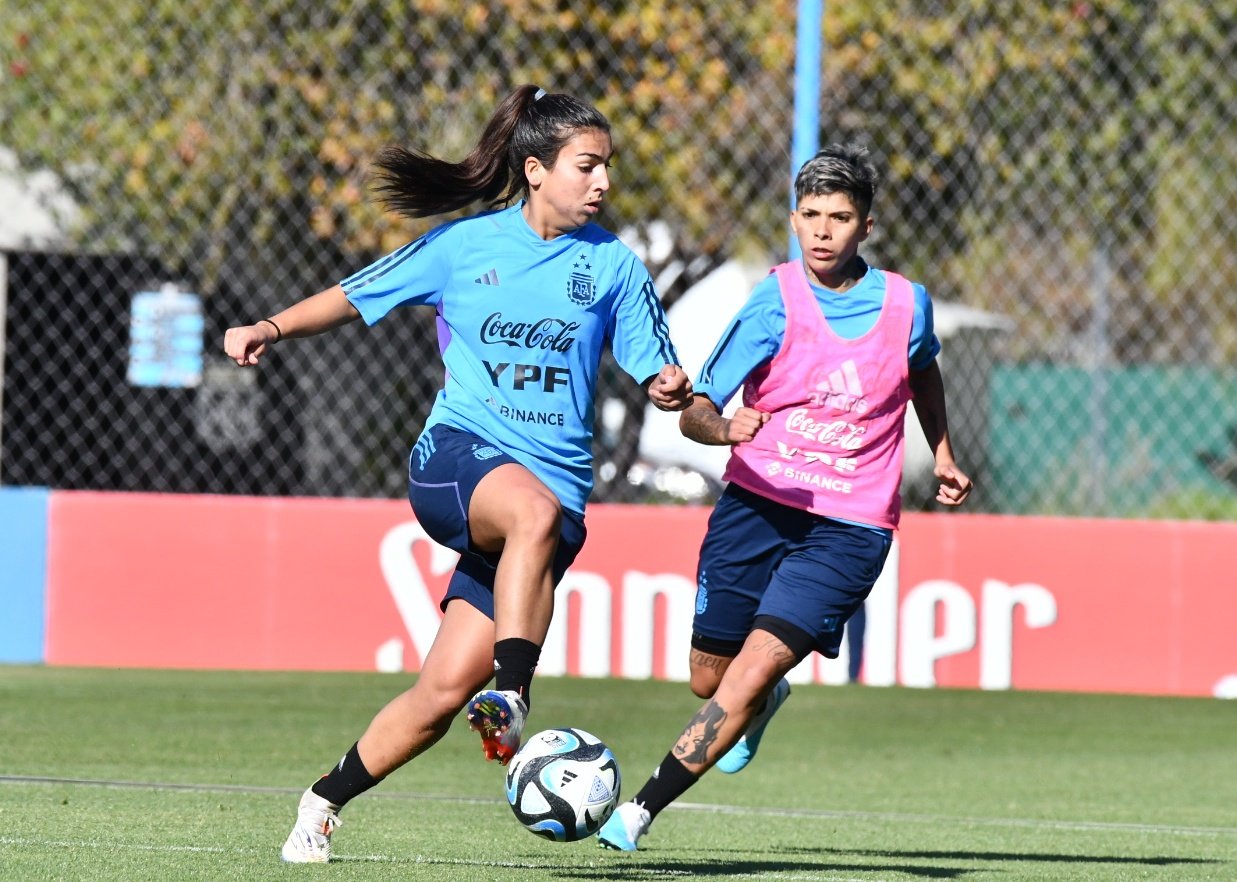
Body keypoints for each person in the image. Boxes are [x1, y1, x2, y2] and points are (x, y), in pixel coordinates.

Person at [223, 84, 692, 863]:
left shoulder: (613, 267)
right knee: (531, 515)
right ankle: (512, 695)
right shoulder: (464, 248)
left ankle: (320, 803)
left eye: (607, 166)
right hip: (457, 463)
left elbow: (660, 374)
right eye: (588, 166)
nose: (603, 181)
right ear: (536, 169)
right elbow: (352, 296)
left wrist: (673, 391)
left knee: (440, 697)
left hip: (548, 512)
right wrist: (269, 327)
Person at [597, 142, 972, 851]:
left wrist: (944, 452)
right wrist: (721, 428)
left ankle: (639, 810)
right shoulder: (772, 299)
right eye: (809, 215)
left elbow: (922, 373)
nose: (822, 230)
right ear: (793, 220)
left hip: (849, 524)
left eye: (838, 217)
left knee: (757, 661)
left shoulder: (904, 304)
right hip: (757, 503)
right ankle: (762, 703)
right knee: (708, 678)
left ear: (866, 227)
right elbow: (697, 408)